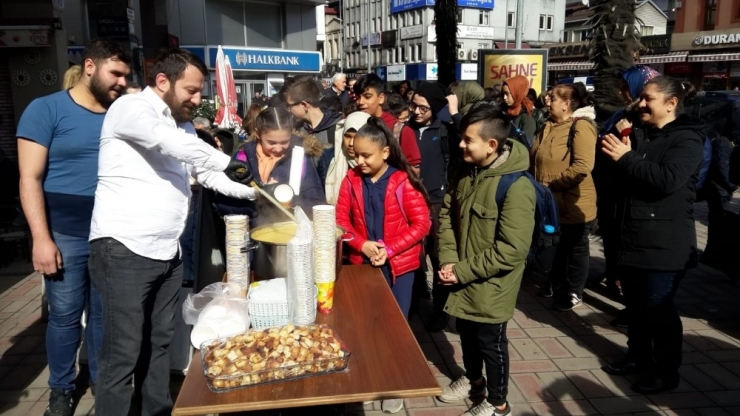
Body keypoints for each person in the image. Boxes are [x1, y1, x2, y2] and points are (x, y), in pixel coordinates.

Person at [87, 48, 258, 416]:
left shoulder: (180, 126)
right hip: (124, 250)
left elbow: (206, 175)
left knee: (159, 344)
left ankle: (157, 411)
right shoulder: (131, 110)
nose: (197, 101)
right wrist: (226, 159)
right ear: (162, 82)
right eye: (191, 91)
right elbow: (171, 144)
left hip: (167, 253)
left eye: (200, 92)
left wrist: (257, 192)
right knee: (122, 354)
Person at [16, 39, 131, 416]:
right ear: (90, 67)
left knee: (103, 316)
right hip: (64, 233)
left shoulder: (123, 113)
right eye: (115, 73)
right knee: (65, 318)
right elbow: (29, 178)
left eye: (126, 76)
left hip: (112, 233)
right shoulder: (46, 109)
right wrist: (41, 238)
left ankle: (102, 385)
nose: (121, 82)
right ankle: (61, 390)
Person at [600, 76, 704, 395]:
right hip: (631, 235)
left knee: (659, 311)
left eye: (649, 99)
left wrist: (626, 157)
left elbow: (666, 180)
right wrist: (618, 153)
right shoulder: (639, 132)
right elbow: (619, 177)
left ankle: (665, 370)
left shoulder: (687, 139)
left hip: (664, 242)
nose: (641, 103)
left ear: (671, 104)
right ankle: (638, 356)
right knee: (636, 307)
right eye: (642, 98)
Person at [436, 105, 535, 416]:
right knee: (466, 334)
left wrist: (462, 270)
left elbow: (512, 249)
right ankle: (474, 381)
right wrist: (450, 261)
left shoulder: (516, 187)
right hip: (462, 277)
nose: (461, 145)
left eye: (468, 140)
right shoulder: (466, 171)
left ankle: (497, 403)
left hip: (493, 284)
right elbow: (448, 217)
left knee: (491, 344)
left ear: (492, 145)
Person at [335, 117, 430, 413]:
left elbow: (422, 224)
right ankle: (368, 375)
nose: (359, 160)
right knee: (363, 324)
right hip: (361, 264)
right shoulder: (351, 180)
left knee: (395, 327)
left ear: (385, 152)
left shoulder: (402, 181)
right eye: (355, 154)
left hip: (399, 269)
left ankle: (394, 383)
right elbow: (340, 221)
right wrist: (360, 244)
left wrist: (389, 249)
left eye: (366, 155)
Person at [530, 83, 598, 310]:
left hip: (573, 201)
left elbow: (582, 166)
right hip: (548, 201)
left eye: (553, 98)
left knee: (576, 248)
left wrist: (553, 186)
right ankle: (555, 282)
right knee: (556, 245)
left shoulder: (581, 126)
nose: (547, 102)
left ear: (567, 104)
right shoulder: (547, 125)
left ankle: (574, 291)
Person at [218, 107, 326, 225]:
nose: (278, 149)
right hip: (249, 233)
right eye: (271, 142)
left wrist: (286, 198)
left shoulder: (299, 159)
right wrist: (256, 200)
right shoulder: (241, 158)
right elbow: (223, 204)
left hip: (288, 232)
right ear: (258, 133)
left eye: (285, 142)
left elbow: (317, 205)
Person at [408, 82, 449, 331]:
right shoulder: (406, 130)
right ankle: (413, 302)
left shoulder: (445, 131)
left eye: (423, 107)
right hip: (411, 202)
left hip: (438, 203)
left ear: (434, 108)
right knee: (414, 256)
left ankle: (441, 310)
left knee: (439, 256)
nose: (416, 111)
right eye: (413, 105)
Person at [353, 74, 422, 174]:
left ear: (381, 98)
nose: (361, 102)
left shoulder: (400, 130)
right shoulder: (354, 125)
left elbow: (414, 170)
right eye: (358, 97)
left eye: (367, 97)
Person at [284, 76, 343, 186]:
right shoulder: (296, 129)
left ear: (304, 105)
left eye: (289, 106)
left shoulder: (337, 128)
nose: (288, 110)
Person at [325, 111, 371, 205]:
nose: (351, 143)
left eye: (357, 137)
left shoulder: (376, 167)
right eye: (347, 136)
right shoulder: (329, 161)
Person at [501, 75, 536, 143]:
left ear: (517, 93)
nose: (504, 97)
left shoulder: (527, 117)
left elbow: (525, 144)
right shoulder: (501, 111)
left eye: (507, 94)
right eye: (503, 94)